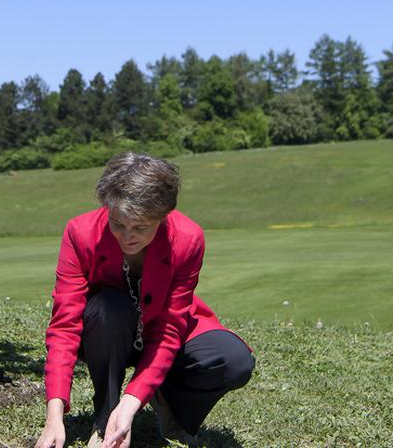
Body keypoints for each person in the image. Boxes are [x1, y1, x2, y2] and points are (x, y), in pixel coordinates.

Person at [34, 153, 254, 448]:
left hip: (161, 330)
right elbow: (64, 325)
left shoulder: (189, 239)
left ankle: (164, 400)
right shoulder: (79, 232)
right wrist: (54, 415)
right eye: (117, 224)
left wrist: (132, 401)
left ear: (163, 216)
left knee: (233, 361)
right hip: (105, 332)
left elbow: (170, 330)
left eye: (140, 227)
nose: (127, 237)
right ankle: (105, 421)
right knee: (109, 307)